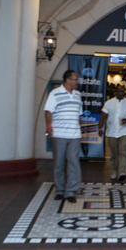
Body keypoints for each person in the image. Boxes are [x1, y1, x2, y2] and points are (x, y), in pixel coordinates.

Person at [44, 70, 83, 203]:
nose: (77, 82)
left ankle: (71, 191)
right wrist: (49, 126)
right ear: (67, 80)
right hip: (59, 134)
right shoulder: (54, 93)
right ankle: (60, 190)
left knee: (73, 161)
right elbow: (48, 111)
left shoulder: (78, 95)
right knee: (59, 163)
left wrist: (79, 128)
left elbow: (79, 114)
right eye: (75, 79)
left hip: (74, 134)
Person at [98, 85, 126, 182]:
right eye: (119, 91)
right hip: (111, 132)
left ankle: (122, 172)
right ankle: (114, 171)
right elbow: (103, 116)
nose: (122, 93)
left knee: (123, 151)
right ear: (115, 92)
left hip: (124, 131)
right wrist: (100, 128)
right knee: (114, 153)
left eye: (123, 91)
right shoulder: (108, 103)